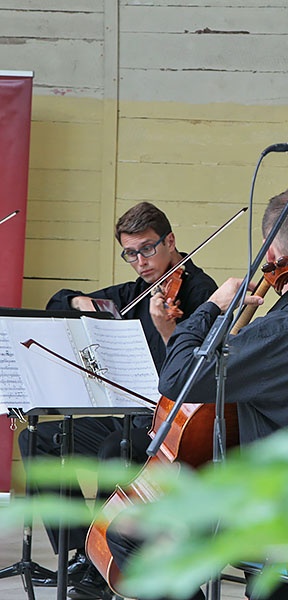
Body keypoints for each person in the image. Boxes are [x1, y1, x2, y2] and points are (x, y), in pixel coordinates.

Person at [105, 189, 288, 600]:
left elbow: (176, 378)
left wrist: (212, 307)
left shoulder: (274, 332)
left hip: (277, 517)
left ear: (270, 255)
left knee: (128, 534)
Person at [17, 202, 218, 600]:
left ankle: (116, 557)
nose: (140, 262)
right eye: (130, 253)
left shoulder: (200, 293)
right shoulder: (135, 293)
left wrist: (168, 331)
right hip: (133, 415)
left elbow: (192, 380)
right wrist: (80, 303)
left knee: (116, 448)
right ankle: (82, 554)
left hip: (174, 426)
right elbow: (58, 301)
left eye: (147, 249)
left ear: (171, 241)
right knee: (37, 440)